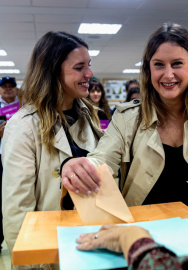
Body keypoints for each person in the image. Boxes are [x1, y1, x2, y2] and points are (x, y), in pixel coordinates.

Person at [61, 22, 188, 229]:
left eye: (177, 63)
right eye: (159, 64)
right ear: (148, 70)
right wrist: (78, 167)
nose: (168, 75)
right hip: (144, 242)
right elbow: (101, 160)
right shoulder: (127, 118)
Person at [2, 31, 103, 269]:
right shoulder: (24, 126)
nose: (89, 74)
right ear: (53, 71)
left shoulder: (88, 115)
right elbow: (18, 209)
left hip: (92, 242)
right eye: (79, 67)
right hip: (52, 250)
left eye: (89, 65)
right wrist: (31, 262)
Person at [0, 76, 20, 252]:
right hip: (0, 156)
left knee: (16, 192)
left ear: (16, 89)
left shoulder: (24, 107)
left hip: (19, 156)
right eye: (4, 86)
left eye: (11, 86)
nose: (7, 89)